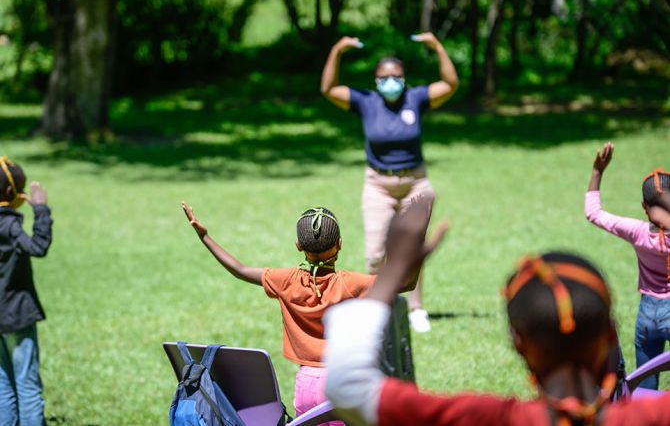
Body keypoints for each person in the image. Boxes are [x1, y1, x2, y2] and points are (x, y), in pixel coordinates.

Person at [323, 199, 670, 426]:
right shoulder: (654, 417)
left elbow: (348, 387)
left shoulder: (487, 419)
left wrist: (393, 272)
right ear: (611, 335)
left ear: (516, 341)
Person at [181, 202, 431, 423]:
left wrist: (205, 237)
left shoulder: (286, 280)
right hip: (345, 382)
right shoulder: (352, 284)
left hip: (307, 388)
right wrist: (418, 233)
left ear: (299, 245)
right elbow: (406, 282)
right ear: (340, 244)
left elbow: (240, 269)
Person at [320, 32, 459, 332]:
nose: (391, 82)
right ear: (376, 81)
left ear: (405, 78)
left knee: (411, 251)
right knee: (375, 256)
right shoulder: (366, 102)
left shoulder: (416, 99)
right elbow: (328, 88)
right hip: (378, 186)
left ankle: (415, 308)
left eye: (396, 76)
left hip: (416, 184)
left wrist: (437, 47)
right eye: (384, 77)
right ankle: (379, 307)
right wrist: (337, 50)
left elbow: (450, 84)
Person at [585, 141, 670, 390]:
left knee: (644, 386)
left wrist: (597, 171)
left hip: (647, 316)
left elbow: (593, 213)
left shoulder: (636, 231)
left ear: (645, 208)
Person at [0, 156, 52, 426]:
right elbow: (38, 246)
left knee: (3, 386)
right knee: (27, 385)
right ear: (12, 193)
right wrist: (41, 209)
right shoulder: (9, 226)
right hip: (17, 317)